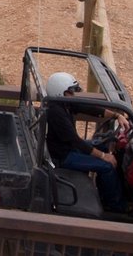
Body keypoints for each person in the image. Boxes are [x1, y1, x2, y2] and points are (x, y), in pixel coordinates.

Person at [44, 71, 127, 213]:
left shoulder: (65, 104)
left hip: (69, 148)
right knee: (107, 166)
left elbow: (89, 109)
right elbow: (76, 142)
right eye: (71, 92)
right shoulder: (56, 113)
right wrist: (103, 156)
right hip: (63, 157)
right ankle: (115, 208)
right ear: (61, 92)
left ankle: (106, 192)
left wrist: (116, 115)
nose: (73, 95)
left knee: (104, 145)